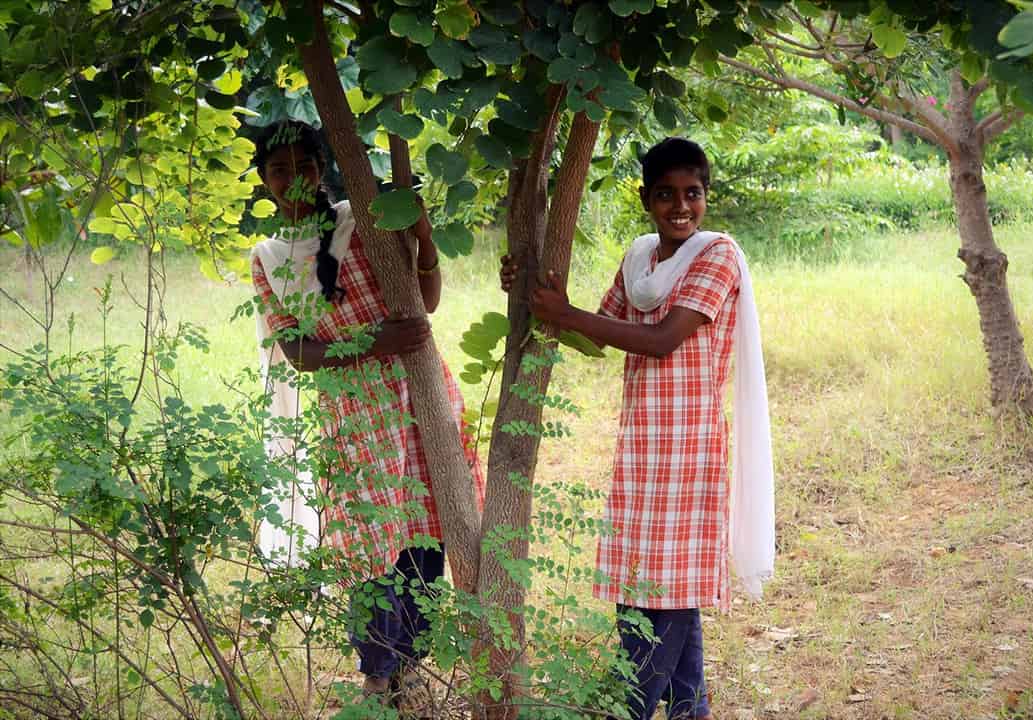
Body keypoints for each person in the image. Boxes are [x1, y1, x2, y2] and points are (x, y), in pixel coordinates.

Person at [501, 137, 774, 720]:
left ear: (707, 195)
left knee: (668, 594)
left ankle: (630, 710)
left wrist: (565, 313)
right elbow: (598, 333)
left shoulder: (717, 254)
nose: (681, 206)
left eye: (692, 194)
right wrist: (532, 294)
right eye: (666, 195)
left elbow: (659, 340)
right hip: (643, 451)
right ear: (646, 198)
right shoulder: (641, 260)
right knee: (645, 588)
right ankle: (688, 711)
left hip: (688, 449)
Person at [249, 120, 483, 697]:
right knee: (369, 547)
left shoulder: (364, 218)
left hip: (419, 393)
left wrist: (425, 241)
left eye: (304, 164)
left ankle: (412, 670)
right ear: (264, 181)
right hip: (354, 415)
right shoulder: (269, 256)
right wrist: (378, 343)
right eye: (279, 169)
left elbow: (423, 302)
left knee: (425, 532)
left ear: (322, 167)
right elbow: (299, 352)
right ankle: (377, 678)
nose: (293, 178)